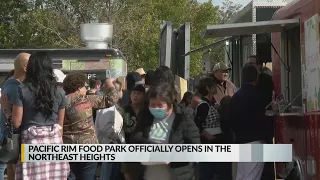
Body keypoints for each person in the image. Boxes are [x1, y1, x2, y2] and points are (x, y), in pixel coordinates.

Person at [1, 51, 69, 179]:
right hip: (54, 144)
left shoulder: (22, 89)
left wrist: (6, 110)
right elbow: (60, 125)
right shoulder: (59, 92)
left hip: (31, 143)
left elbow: (16, 122)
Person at [131, 82, 200, 180]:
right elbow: (135, 138)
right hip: (149, 174)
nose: (156, 108)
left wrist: (173, 154)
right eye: (152, 104)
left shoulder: (183, 118)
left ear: (170, 103)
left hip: (177, 174)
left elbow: (195, 146)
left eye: (160, 105)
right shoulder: (146, 116)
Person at [62, 72, 118, 180]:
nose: (85, 89)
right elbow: (111, 100)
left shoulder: (61, 101)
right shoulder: (87, 99)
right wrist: (112, 85)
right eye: (84, 86)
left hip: (67, 148)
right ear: (78, 87)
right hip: (89, 148)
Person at [230, 65, 266, 180]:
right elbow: (261, 119)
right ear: (256, 78)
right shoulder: (258, 96)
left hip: (240, 141)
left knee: (241, 175)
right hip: (255, 142)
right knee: (252, 176)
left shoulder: (235, 97)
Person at [0, 53, 30, 180]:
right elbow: (16, 121)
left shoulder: (10, 84)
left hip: (12, 137)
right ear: (25, 67)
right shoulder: (15, 88)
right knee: (14, 170)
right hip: (15, 138)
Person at [121, 84, 145, 180]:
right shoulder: (124, 109)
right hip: (128, 147)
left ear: (144, 96)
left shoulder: (147, 110)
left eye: (138, 94)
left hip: (143, 148)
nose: (135, 96)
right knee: (128, 173)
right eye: (133, 93)